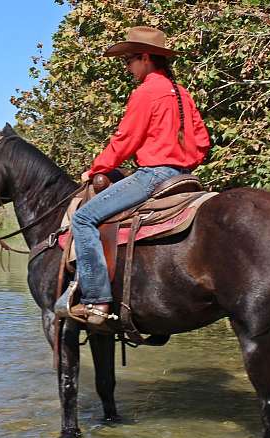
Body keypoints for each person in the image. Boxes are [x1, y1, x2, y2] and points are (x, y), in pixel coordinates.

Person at [56, 26, 210, 328]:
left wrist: (97, 168)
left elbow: (126, 140)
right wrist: (183, 161)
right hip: (184, 177)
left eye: (129, 61)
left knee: (84, 219)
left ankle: (97, 300)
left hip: (154, 175)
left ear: (145, 58)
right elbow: (202, 142)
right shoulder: (182, 94)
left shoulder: (146, 93)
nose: (127, 68)